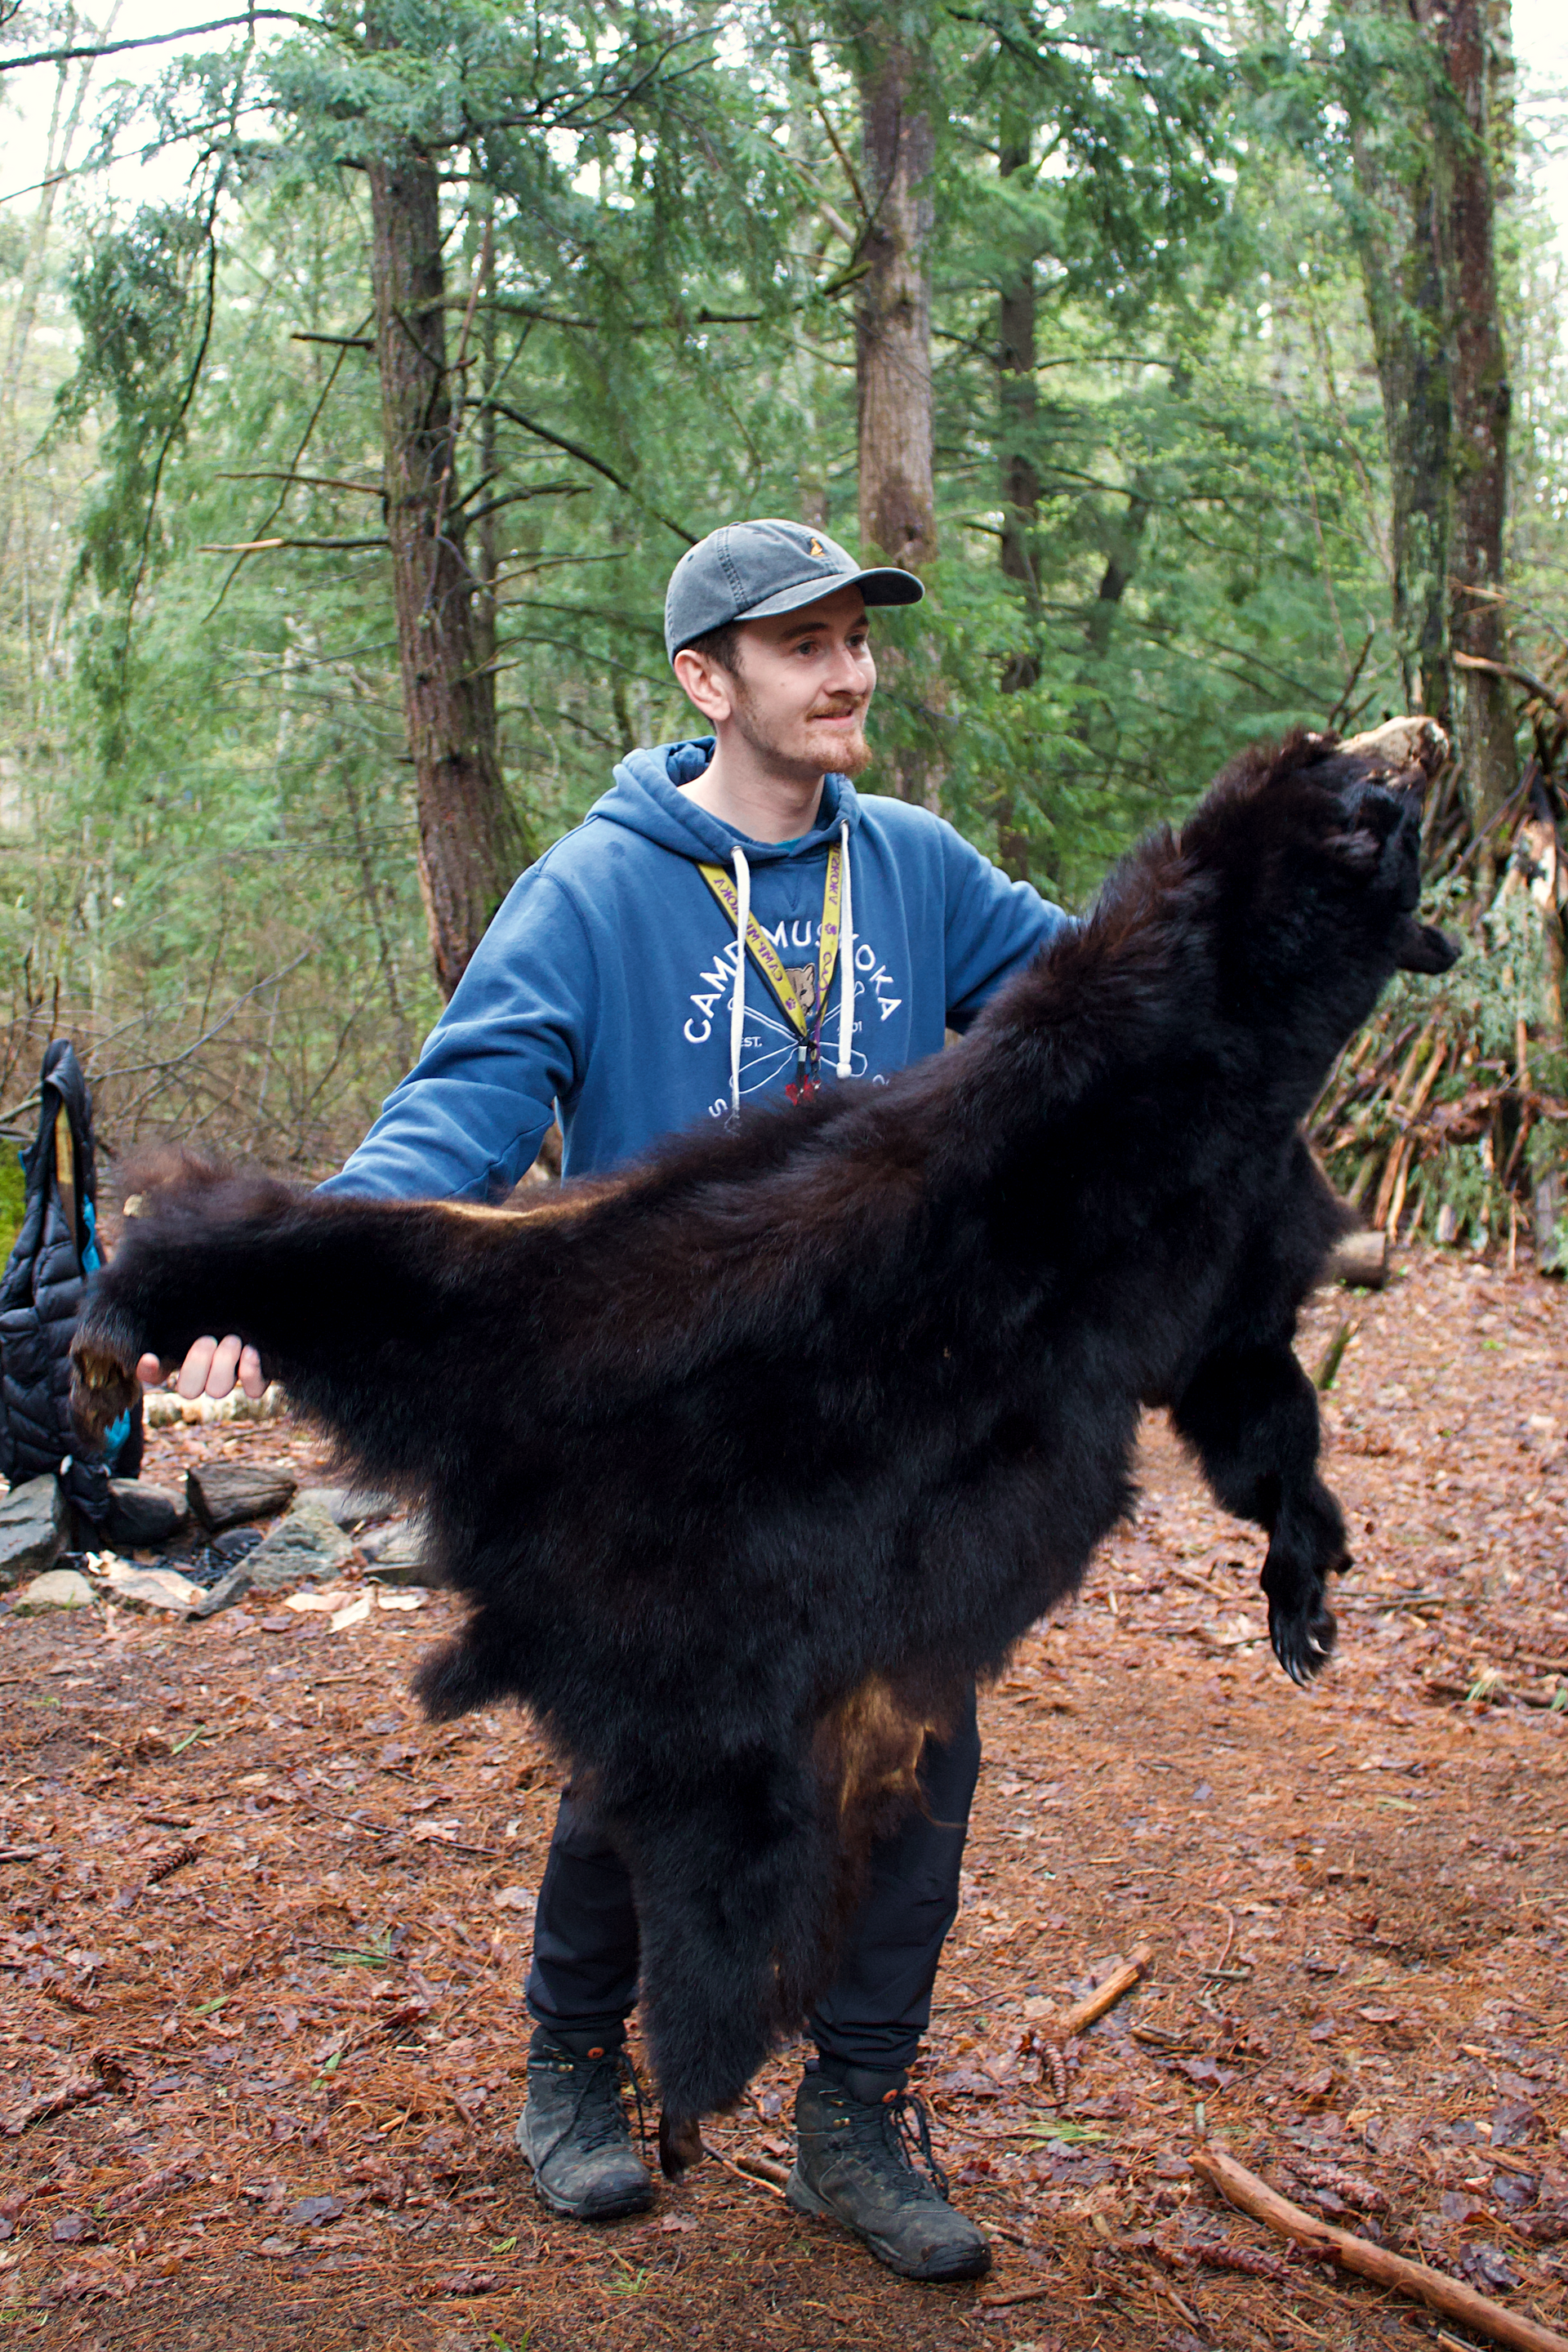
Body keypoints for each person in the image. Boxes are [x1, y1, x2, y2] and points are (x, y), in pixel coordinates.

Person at [145, 518, 1071, 2284]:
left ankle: (857, 2116)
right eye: (802, 646)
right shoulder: (594, 891)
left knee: (916, 1752)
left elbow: (1088, 998)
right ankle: (573, 2066)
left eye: (858, 640)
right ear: (706, 681)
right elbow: (462, 1110)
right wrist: (293, 1274)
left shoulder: (923, 871)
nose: (849, 670)